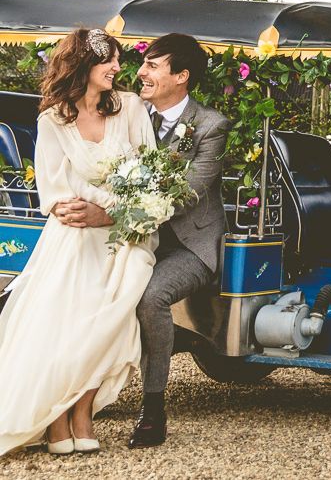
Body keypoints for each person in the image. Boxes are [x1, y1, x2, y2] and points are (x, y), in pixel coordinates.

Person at [54, 33, 231, 448]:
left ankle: (153, 411)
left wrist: (108, 213)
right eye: (143, 63)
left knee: (149, 296)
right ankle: (72, 403)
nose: (141, 72)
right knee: (90, 291)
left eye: (153, 65)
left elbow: (184, 194)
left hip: (188, 245)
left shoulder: (211, 126)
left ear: (181, 76)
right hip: (132, 239)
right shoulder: (127, 112)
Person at [0, 28, 157, 455]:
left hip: (125, 234)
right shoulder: (53, 119)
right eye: (109, 61)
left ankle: (82, 411)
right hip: (72, 234)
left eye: (117, 61)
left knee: (106, 321)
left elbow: (151, 177)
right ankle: (55, 416)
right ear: (84, 65)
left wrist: (111, 211)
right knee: (66, 319)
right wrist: (85, 210)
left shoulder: (131, 108)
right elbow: (52, 193)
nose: (117, 68)